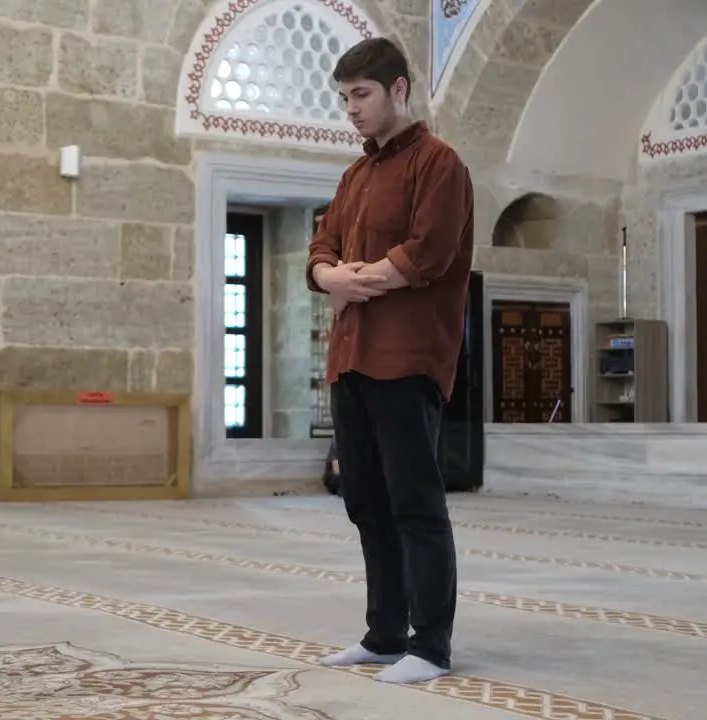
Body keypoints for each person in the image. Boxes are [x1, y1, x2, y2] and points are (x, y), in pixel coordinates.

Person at [306, 37, 474, 685]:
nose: (350, 108)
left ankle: (430, 645)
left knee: (415, 504)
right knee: (366, 504)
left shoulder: (440, 165)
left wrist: (355, 280)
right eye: (344, 97)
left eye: (361, 95)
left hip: (407, 361)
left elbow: (428, 251)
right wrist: (328, 277)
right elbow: (321, 244)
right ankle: (384, 634)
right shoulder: (354, 175)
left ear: (398, 89)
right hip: (351, 359)